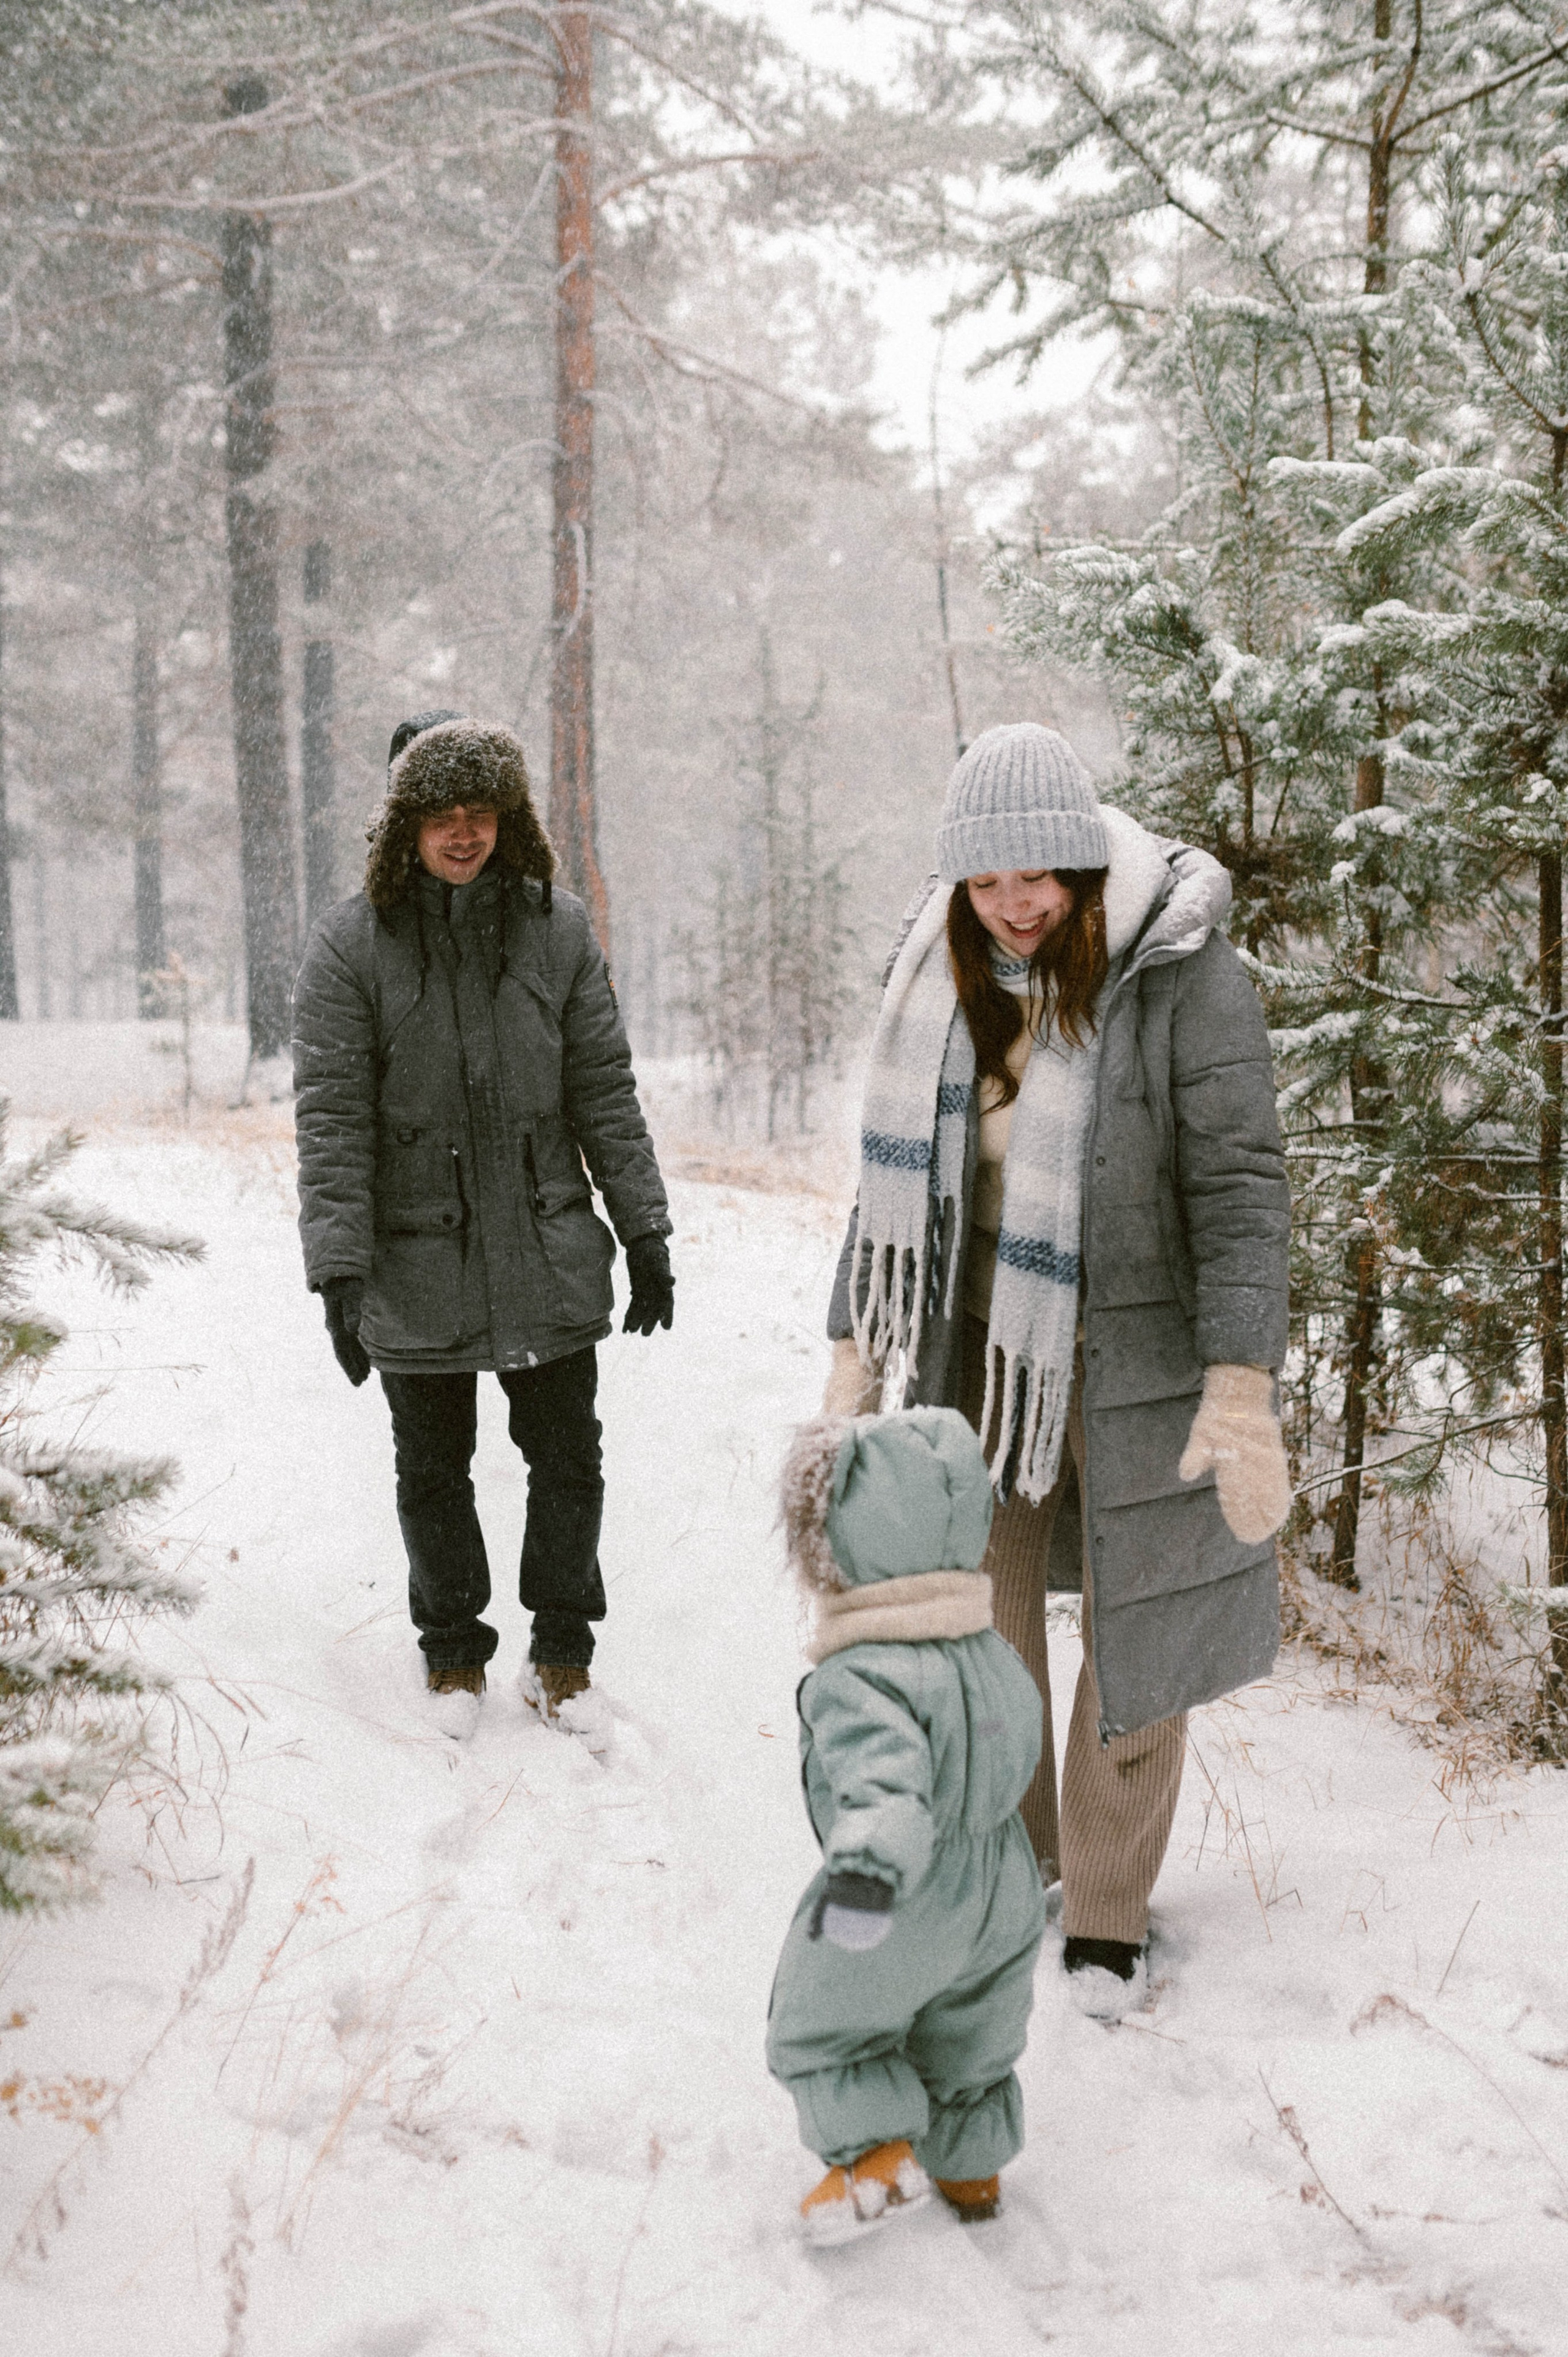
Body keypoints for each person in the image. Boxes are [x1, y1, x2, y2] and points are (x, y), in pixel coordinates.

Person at [824, 722, 1291, 2014]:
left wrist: (1237, 1380)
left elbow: (1241, 1187)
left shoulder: (1176, 971)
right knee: (989, 1620)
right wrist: (853, 1355)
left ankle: (1104, 1903)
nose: (1012, 905)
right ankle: (1018, 1848)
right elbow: (888, 1198)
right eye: (984, 882)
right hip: (982, 1353)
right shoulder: (935, 974)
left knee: (1142, 1632)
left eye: (1034, 876)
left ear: (1081, 865)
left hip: (1135, 1356)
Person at [292, 711, 673, 1731]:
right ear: (400, 825)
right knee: (432, 1466)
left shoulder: (559, 929)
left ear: (510, 818)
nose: (464, 834)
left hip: (546, 1243)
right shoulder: (348, 947)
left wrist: (645, 1230)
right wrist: (338, 1268)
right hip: (416, 1256)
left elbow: (603, 1087)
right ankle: (453, 1654)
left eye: (483, 813)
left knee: (568, 1458)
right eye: (440, 815)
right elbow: (332, 1120)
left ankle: (562, 1656)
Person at [767, 1405, 1048, 2243]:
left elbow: (888, 1786)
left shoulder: (861, 1676)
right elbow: (1020, 1740)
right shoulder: (992, 1653)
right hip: (1004, 1889)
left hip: (902, 1881)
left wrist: (865, 1875)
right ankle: (970, 2165)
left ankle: (873, 2162)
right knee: (971, 2037)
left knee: (821, 2022)